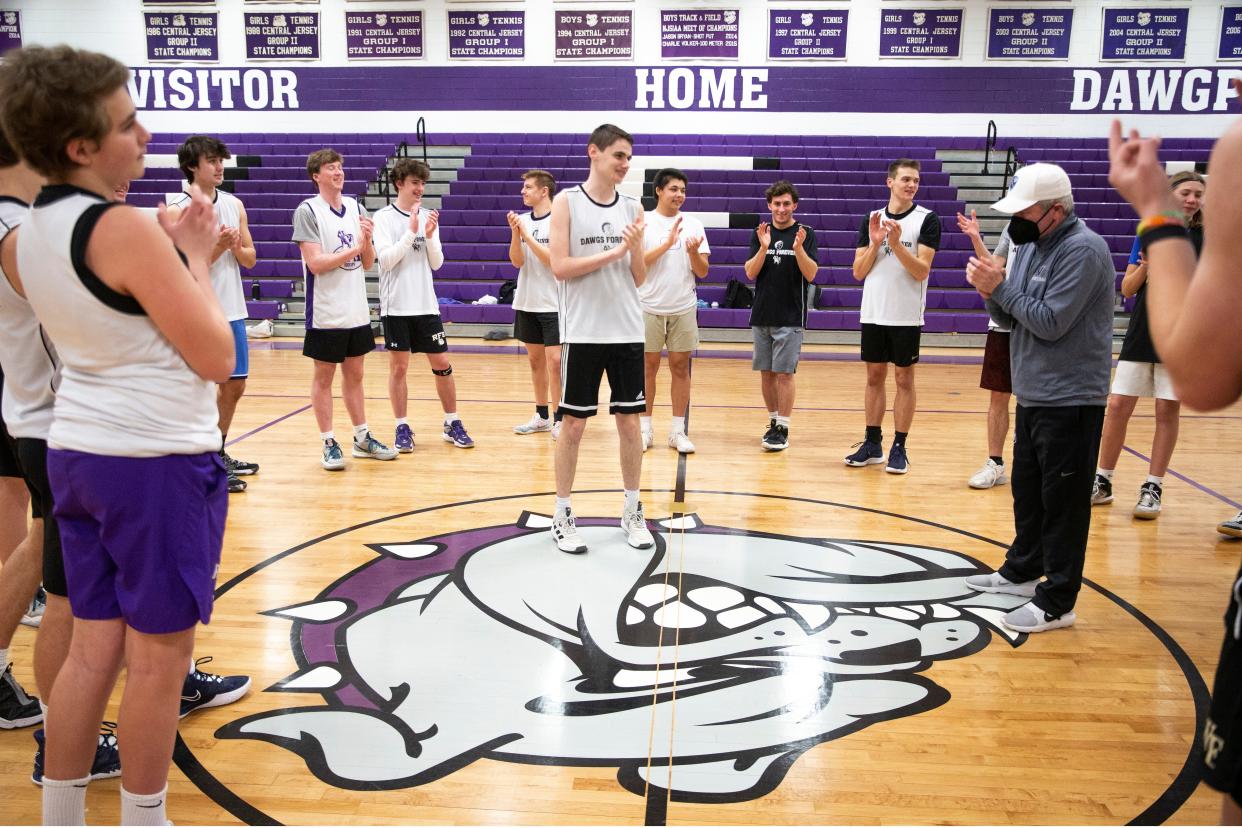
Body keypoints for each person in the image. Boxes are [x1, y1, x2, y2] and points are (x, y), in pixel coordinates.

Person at [0, 44, 237, 824]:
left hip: (78, 452)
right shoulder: (126, 227)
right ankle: (144, 816)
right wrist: (196, 255)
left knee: (91, 648)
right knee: (159, 660)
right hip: (156, 463)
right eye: (128, 123)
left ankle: (60, 814)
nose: (144, 135)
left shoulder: (30, 228)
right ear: (80, 146)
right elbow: (215, 355)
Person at [1109, 107, 1242, 826]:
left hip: (1177, 345)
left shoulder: (1239, 154)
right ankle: (1115, 475)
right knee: (1122, 411)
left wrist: (1156, 209)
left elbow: (1204, 375)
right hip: (1139, 341)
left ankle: (1152, 480)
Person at [961, 162, 1115, 634]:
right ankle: (1024, 569)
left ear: (1055, 210)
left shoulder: (1084, 250)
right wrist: (990, 291)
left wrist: (999, 288)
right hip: (1033, 392)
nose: (1016, 222)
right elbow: (1010, 319)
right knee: (1029, 494)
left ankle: (1058, 600)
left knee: (1064, 504)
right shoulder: (1030, 246)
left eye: (1024, 212)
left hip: (1071, 399)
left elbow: (1050, 321)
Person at [547, 123, 651, 554]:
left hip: (627, 329)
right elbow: (560, 267)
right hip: (583, 331)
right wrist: (614, 251)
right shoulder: (566, 201)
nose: (626, 164)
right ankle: (562, 514)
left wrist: (636, 250)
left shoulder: (633, 206)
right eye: (619, 155)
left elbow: (640, 276)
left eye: (629, 157)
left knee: (630, 424)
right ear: (595, 153)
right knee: (573, 424)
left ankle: (632, 510)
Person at [1092, 171, 1206, 519]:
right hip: (1143, 331)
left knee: (1166, 410)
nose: (1191, 199)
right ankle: (1102, 481)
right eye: (1185, 192)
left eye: (1197, 194)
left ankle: (1153, 486)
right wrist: (1147, 269)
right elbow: (1127, 289)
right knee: (1117, 405)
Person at [293, 148, 396, 469]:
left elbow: (367, 262)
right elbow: (316, 263)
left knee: (356, 375)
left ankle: (362, 437)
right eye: (330, 168)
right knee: (323, 378)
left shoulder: (356, 206)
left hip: (356, 310)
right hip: (325, 311)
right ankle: (328, 442)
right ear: (316, 176)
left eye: (340, 167)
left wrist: (365, 244)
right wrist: (354, 247)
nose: (338, 172)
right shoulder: (307, 211)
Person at [167, 135, 260, 494]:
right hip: (198, 310)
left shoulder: (234, 204)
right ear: (193, 166)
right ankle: (201, 461)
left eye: (222, 160)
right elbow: (183, 269)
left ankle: (217, 450)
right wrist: (219, 248)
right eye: (212, 161)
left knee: (235, 385)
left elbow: (251, 259)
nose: (220, 167)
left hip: (232, 307)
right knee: (203, 389)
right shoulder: (178, 208)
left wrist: (236, 246)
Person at [845, 159, 940, 474]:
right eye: (905, 180)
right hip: (873, 312)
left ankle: (899, 446)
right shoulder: (871, 219)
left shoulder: (927, 220)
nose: (911, 185)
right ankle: (873, 443)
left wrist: (897, 245)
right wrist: (875, 244)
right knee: (873, 378)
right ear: (890, 182)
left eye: (915, 180)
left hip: (906, 315)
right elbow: (858, 272)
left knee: (904, 379)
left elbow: (921, 271)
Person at [373, 158, 473, 451]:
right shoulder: (383, 218)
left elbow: (437, 263)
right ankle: (401, 425)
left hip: (426, 306)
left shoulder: (429, 215)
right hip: (396, 307)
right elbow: (387, 260)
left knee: (442, 364)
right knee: (399, 368)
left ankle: (451, 421)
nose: (420, 188)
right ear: (399, 183)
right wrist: (410, 231)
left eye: (423, 183)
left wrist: (428, 237)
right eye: (415, 182)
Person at [743, 180, 818, 451]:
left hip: (790, 315)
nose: (782, 208)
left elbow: (811, 274)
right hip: (762, 314)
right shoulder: (760, 232)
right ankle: (773, 422)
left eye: (787, 203)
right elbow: (750, 273)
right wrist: (764, 247)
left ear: (794, 205)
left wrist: (798, 249)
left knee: (785, 373)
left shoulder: (806, 233)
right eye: (777, 204)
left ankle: (784, 427)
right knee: (766, 372)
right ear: (769, 205)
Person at [639, 167, 710, 454]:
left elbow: (703, 271)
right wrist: (667, 244)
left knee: (681, 367)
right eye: (673, 189)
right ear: (659, 190)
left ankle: (677, 431)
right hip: (648, 305)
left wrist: (692, 252)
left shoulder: (694, 224)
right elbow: (636, 263)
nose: (679, 194)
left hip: (683, 306)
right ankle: (645, 430)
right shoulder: (643, 222)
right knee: (647, 369)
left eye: (682, 190)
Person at [957, 209, 1013, 490]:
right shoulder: (1012, 228)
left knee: (1036, 400)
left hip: (1036, 321)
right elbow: (995, 266)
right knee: (998, 397)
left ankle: (1036, 460)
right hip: (1004, 323)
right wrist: (976, 239)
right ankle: (995, 462)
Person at [508, 170, 562, 440]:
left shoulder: (559, 221)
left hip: (554, 303)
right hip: (528, 300)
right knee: (534, 360)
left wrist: (526, 235)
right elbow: (517, 261)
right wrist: (515, 234)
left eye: (528, 187)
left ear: (544, 191)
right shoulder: (523, 220)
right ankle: (541, 415)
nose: (523, 191)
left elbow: (553, 261)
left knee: (555, 362)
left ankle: (560, 417)